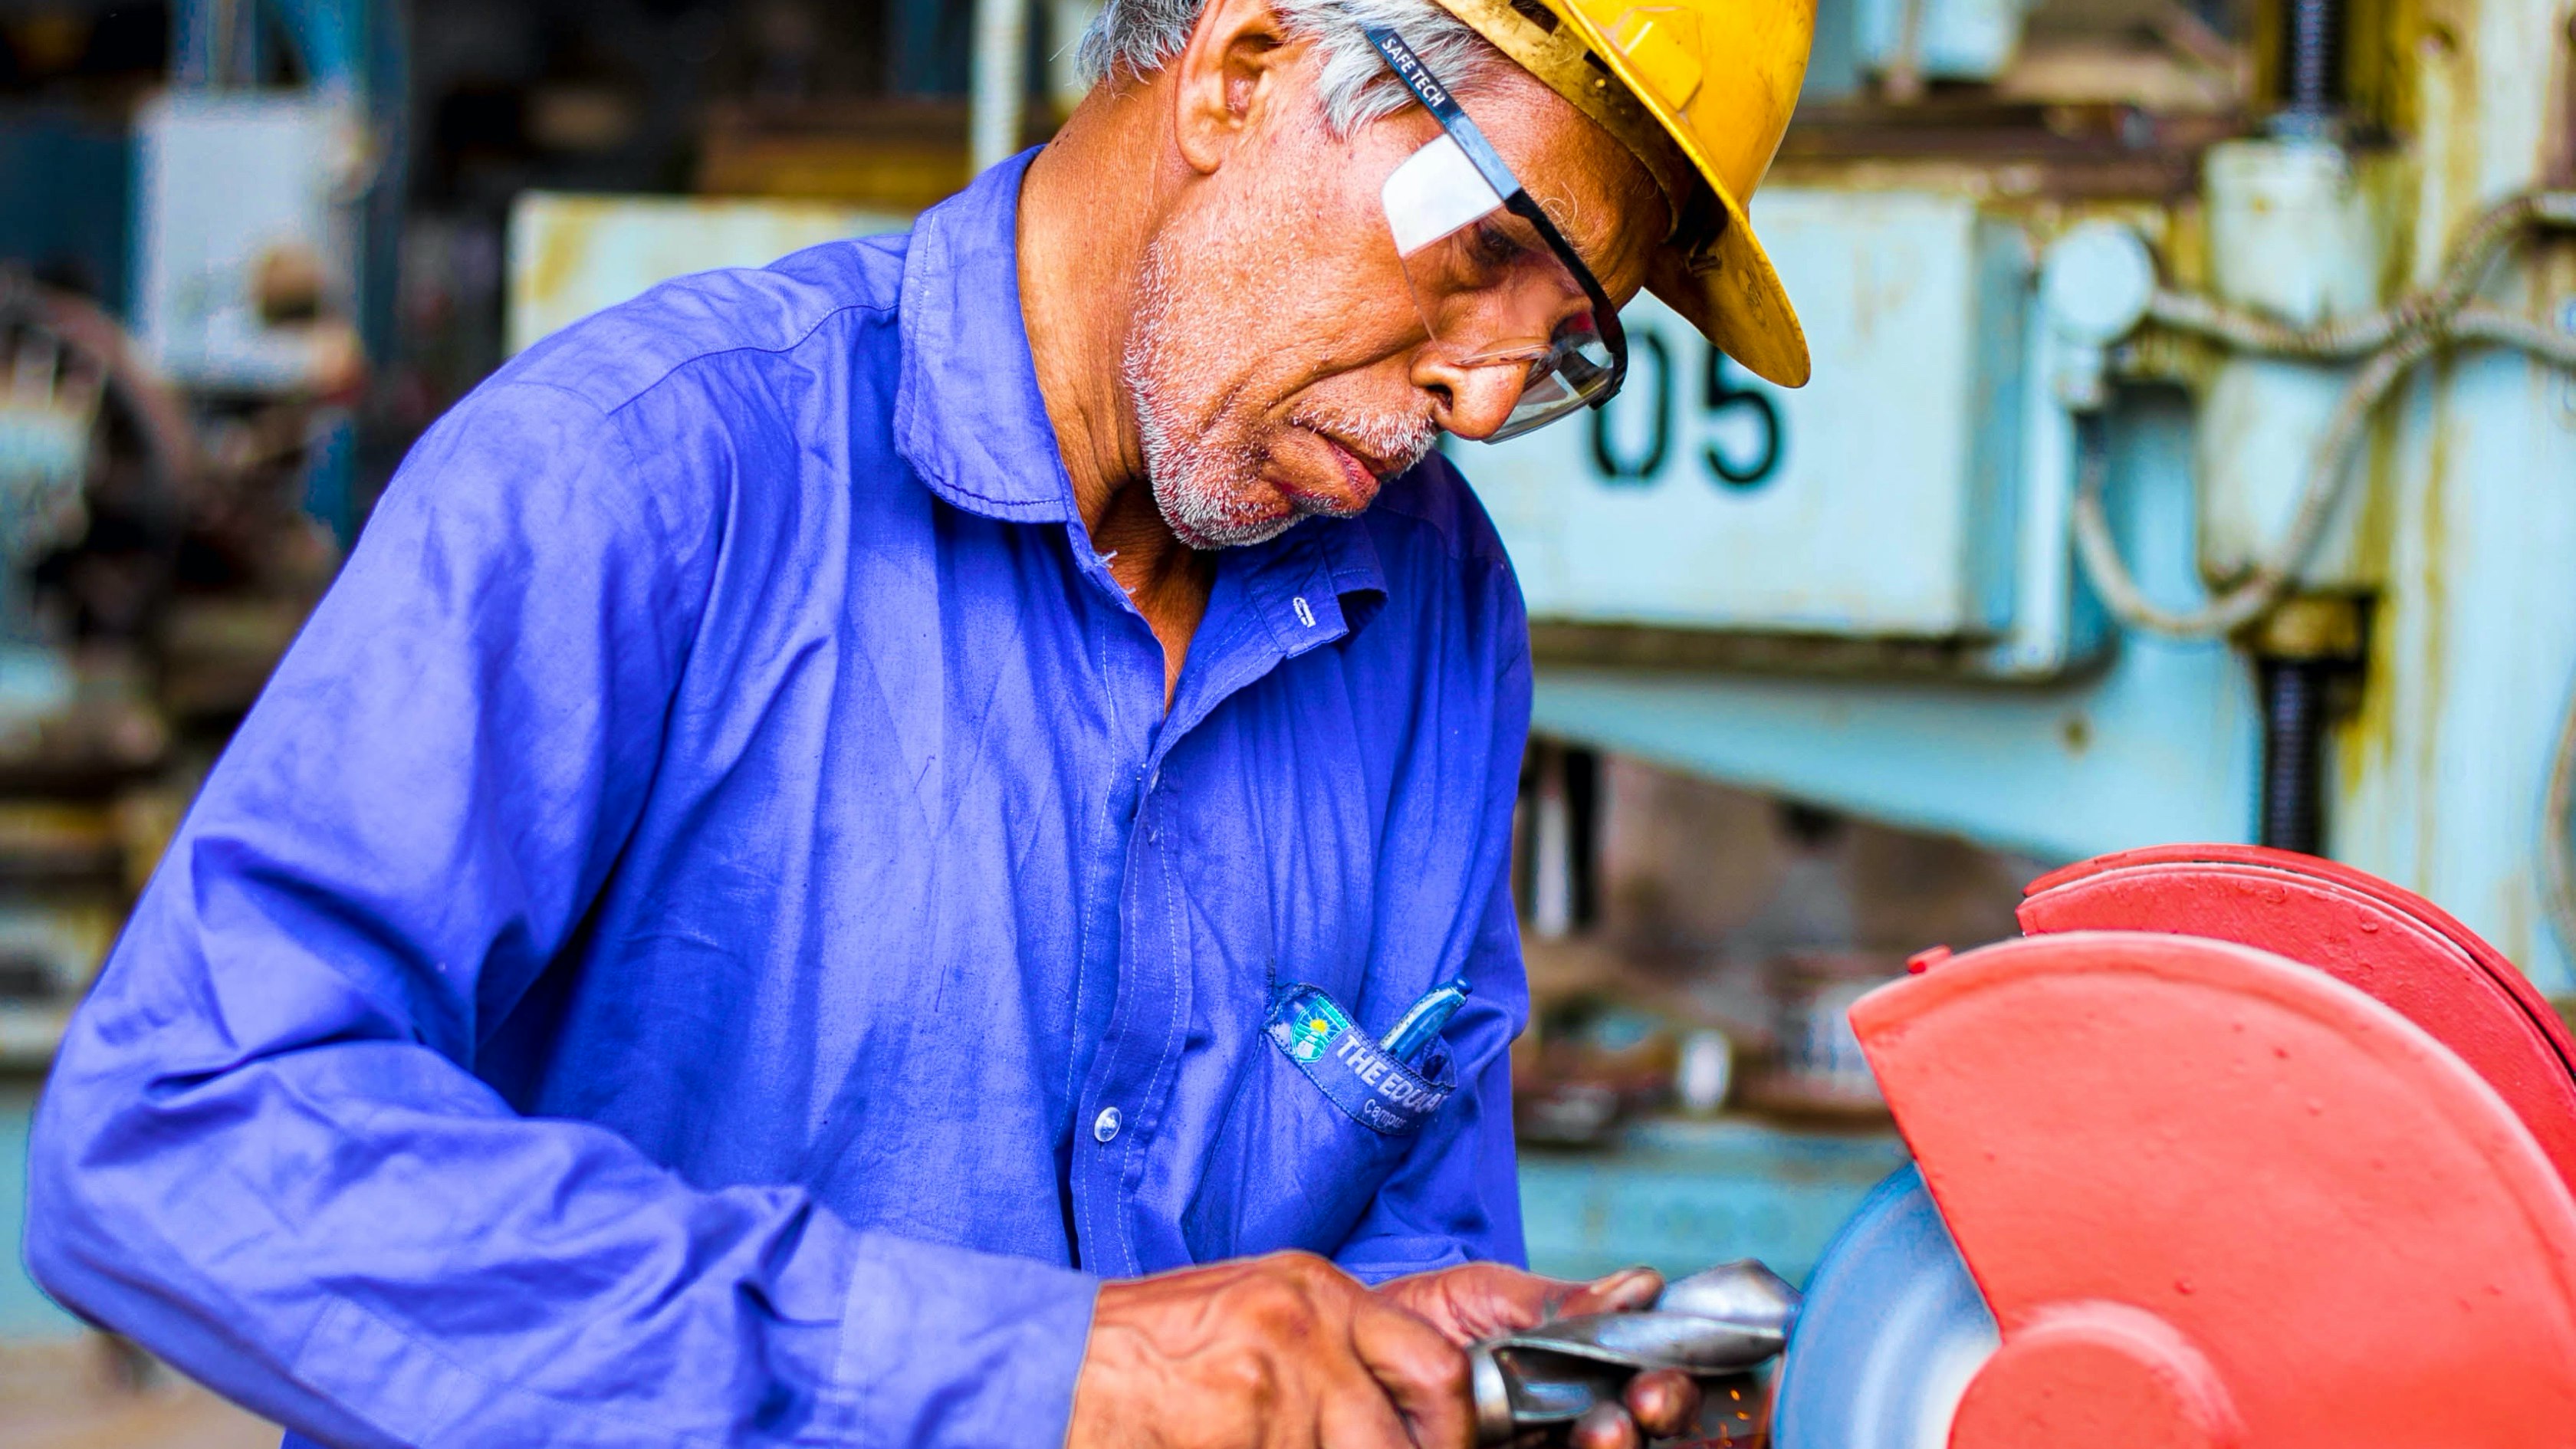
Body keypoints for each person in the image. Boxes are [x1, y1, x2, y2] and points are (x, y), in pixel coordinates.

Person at [26, 0, 1813, 1444]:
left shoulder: (1428, 607)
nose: (1488, 394)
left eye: (1567, 337)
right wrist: (1031, 1370)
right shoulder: (650, 479)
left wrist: (1425, 1367)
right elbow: (181, 1141)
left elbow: (1413, 1209)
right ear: (1247, 69)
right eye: (1481, 252)